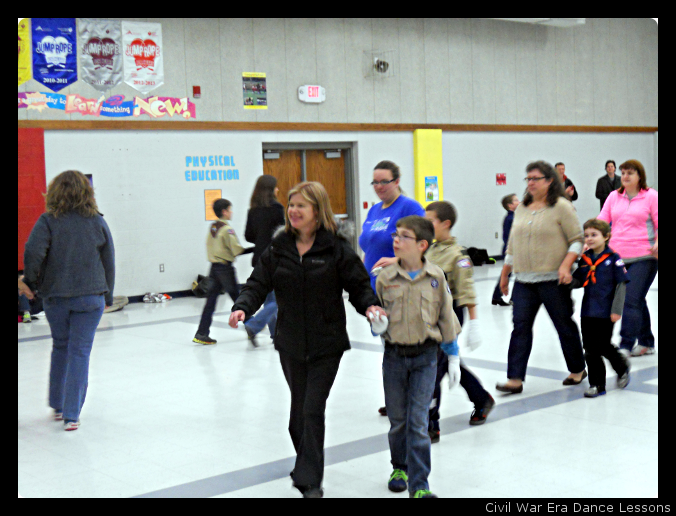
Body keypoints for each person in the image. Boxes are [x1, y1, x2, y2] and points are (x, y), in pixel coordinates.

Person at [228, 182, 385, 498]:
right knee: (297, 417)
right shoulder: (279, 247)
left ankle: (310, 481)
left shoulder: (336, 248)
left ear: (318, 210)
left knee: (313, 410)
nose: (294, 211)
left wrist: (369, 305)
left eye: (301, 205)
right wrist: (242, 307)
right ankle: (306, 462)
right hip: (290, 343)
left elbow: (358, 285)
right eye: (291, 205)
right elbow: (257, 283)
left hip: (327, 343)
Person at [375, 215, 461, 498]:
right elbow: (377, 314)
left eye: (403, 236)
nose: (396, 240)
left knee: (418, 422)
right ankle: (399, 467)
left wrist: (453, 356)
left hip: (426, 357)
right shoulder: (385, 278)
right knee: (398, 420)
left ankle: (420, 484)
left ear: (422, 244)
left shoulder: (436, 277)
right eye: (395, 235)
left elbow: (446, 317)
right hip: (394, 358)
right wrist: (377, 324)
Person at [23, 170, 115, 431]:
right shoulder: (97, 221)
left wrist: (31, 282)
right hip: (91, 296)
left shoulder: (48, 221)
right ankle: (72, 415)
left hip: (56, 296)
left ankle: (57, 404)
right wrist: (107, 294)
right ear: (87, 193)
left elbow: (33, 252)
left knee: (61, 346)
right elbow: (109, 261)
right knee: (80, 352)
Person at [496, 161, 586, 394]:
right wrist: (505, 276)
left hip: (553, 280)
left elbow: (577, 239)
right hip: (524, 280)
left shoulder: (562, 207)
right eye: (528, 178)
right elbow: (512, 245)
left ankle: (577, 369)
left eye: (536, 178)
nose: (531, 182)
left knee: (563, 325)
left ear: (549, 181)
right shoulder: (522, 209)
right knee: (520, 327)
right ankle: (514, 379)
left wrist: (566, 266)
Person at [424, 201, 495, 435]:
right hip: (429, 312)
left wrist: (474, 324)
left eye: (430, 220)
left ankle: (430, 424)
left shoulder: (458, 255)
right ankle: (482, 398)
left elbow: (466, 291)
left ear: (446, 223)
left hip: (450, 315)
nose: (426, 224)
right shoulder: (430, 249)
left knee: (434, 367)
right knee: (445, 361)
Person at [597, 159, 658, 357]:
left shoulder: (651, 196)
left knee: (629, 298)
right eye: (623, 173)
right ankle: (647, 342)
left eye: (630, 173)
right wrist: (590, 238)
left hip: (645, 256)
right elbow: (602, 222)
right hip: (618, 257)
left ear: (639, 176)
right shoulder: (614, 197)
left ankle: (625, 344)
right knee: (637, 299)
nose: (625, 176)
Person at [571, 219, 631, 398]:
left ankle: (621, 367)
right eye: (587, 235)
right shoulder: (585, 259)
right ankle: (597, 385)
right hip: (588, 310)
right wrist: (567, 276)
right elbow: (579, 281)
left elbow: (621, 285)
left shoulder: (613, 259)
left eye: (594, 235)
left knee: (603, 345)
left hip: (606, 311)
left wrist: (617, 310)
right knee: (589, 348)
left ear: (606, 237)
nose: (589, 239)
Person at [193, 199, 252, 345]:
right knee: (239, 300)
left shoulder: (213, 226)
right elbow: (237, 250)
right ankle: (253, 328)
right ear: (224, 211)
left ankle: (201, 333)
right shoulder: (227, 229)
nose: (231, 212)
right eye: (230, 209)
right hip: (225, 269)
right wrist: (255, 249)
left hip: (214, 268)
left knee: (210, 302)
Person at [359, 160, 425, 291]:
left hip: (399, 286)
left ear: (396, 182)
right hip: (373, 286)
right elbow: (371, 246)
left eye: (384, 181)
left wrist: (397, 261)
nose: (379, 186)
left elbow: (425, 246)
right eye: (375, 182)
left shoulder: (410, 208)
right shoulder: (374, 210)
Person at [242, 175, 285, 347]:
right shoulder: (277, 209)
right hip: (275, 257)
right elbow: (282, 234)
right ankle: (253, 325)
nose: (278, 190)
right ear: (270, 189)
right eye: (276, 187)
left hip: (259, 257)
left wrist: (261, 239)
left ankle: (276, 334)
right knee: (279, 300)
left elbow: (248, 235)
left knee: (270, 298)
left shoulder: (253, 210)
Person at [492, 193, 520, 306]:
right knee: (516, 274)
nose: (519, 202)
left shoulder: (511, 217)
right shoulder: (511, 218)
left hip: (510, 249)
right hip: (512, 250)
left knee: (508, 274)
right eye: (516, 201)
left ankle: (497, 297)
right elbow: (511, 237)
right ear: (510, 205)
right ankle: (513, 298)